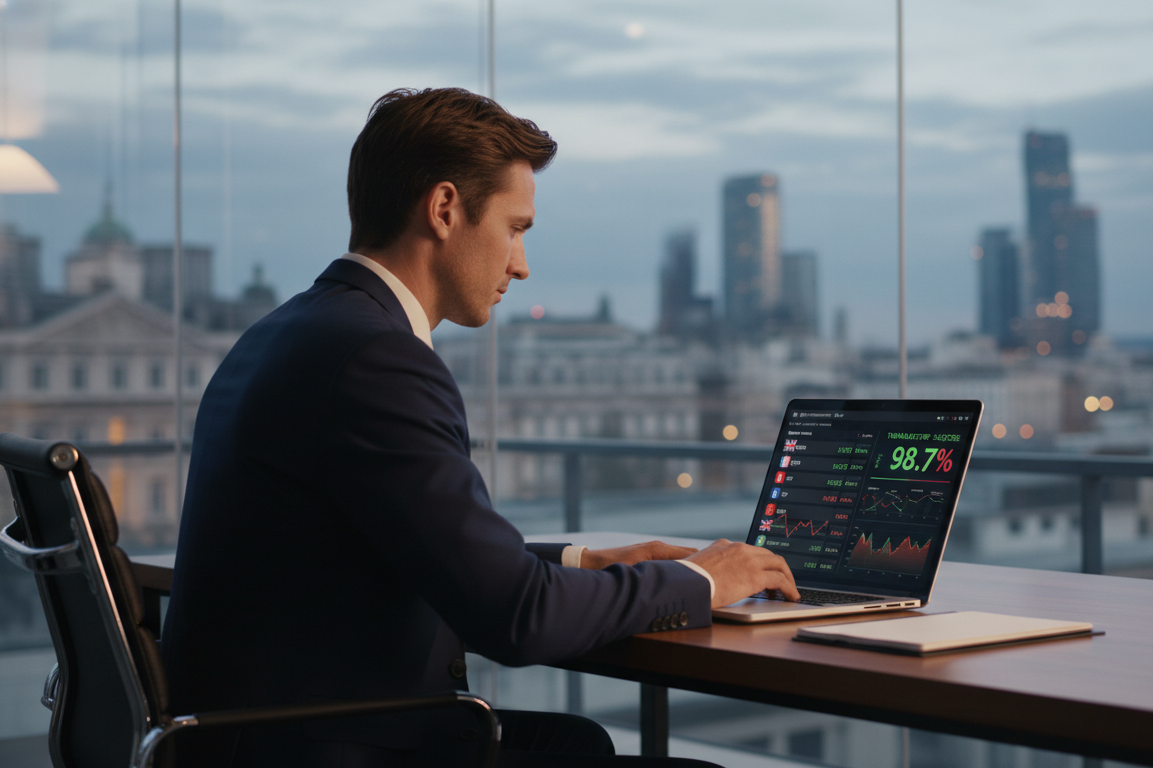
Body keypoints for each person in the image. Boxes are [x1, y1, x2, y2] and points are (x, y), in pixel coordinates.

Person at [160, 87, 799, 768]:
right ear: (444, 210)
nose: (520, 264)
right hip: (323, 745)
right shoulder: (379, 359)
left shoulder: (286, 332)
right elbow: (517, 620)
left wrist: (589, 563)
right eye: (515, 228)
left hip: (252, 731)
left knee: (579, 742)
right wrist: (702, 581)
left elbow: (416, 546)